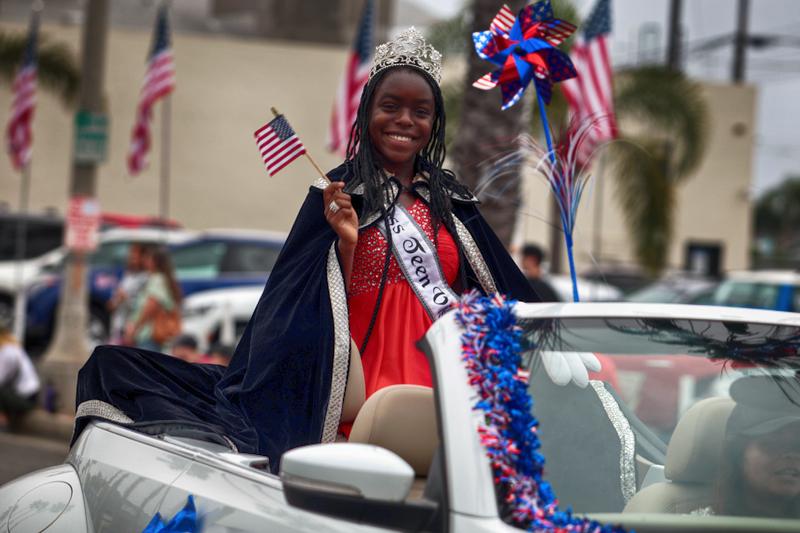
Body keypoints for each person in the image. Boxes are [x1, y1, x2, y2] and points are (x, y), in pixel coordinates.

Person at [75, 28, 538, 470]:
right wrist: (347, 243)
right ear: (366, 113)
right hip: (354, 375)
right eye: (390, 106)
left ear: (433, 122)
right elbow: (300, 301)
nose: (404, 121)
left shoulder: (450, 198)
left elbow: (496, 289)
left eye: (420, 111)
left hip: (442, 369)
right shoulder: (337, 192)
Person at [694, 376, 800, 518]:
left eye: (798, 446)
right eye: (773, 445)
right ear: (738, 456)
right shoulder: (698, 526)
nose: (791, 454)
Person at [123, 245, 182, 351]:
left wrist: (135, 327)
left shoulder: (157, 280)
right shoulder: (162, 279)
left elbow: (152, 305)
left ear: (155, 261)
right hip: (151, 335)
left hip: (149, 334)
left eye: (148, 258)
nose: (145, 261)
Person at [0, 317, 40, 430]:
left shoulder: (8, 351)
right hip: (28, 394)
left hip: (27, 399)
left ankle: (2, 421)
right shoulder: (12, 347)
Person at [108, 242, 149, 344]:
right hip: (118, 324)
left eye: (135, 257)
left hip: (131, 326)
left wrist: (125, 298)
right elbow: (115, 300)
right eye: (131, 256)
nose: (132, 259)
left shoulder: (145, 278)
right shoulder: (128, 275)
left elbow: (142, 305)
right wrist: (114, 302)